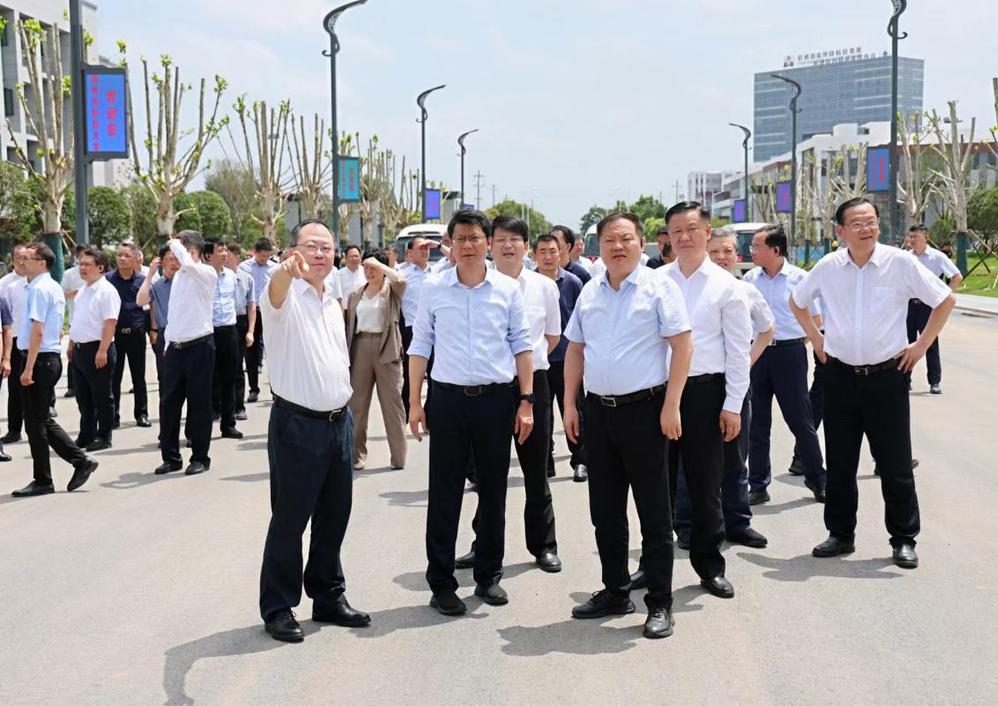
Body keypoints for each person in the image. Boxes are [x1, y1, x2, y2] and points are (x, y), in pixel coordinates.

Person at [791, 198, 955, 569]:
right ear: (840, 230)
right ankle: (840, 534)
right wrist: (816, 338)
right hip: (839, 377)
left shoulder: (900, 263)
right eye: (857, 223)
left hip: (887, 377)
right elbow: (797, 301)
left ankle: (904, 538)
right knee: (841, 461)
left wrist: (921, 345)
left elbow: (945, 299)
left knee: (895, 463)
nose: (866, 228)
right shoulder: (828, 266)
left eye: (871, 221)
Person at [563, 211, 692, 640]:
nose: (617, 247)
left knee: (654, 513)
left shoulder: (659, 287)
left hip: (646, 411)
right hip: (598, 413)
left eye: (626, 239)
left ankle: (660, 602)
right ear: (598, 246)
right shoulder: (590, 291)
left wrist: (672, 405)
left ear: (641, 243)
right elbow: (575, 349)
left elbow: (682, 346)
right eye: (609, 240)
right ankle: (616, 590)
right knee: (605, 511)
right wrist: (570, 404)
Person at [408, 209, 534, 616]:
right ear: (451, 243)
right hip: (447, 401)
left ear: (488, 243)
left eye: (475, 237)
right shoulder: (434, 288)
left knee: (494, 490)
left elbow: (522, 345)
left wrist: (527, 401)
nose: (467, 245)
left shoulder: (506, 290)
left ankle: (488, 575)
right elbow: (420, 345)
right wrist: (414, 402)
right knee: (444, 492)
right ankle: (441, 582)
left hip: (495, 401)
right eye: (460, 238)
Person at [259, 219, 370, 644]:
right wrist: (284, 271)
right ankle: (278, 607)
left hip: (338, 423)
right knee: (290, 520)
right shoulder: (284, 295)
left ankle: (327, 595)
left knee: (334, 516)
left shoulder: (330, 299)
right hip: (297, 425)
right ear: (294, 251)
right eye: (311, 246)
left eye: (326, 247)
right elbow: (275, 289)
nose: (320, 253)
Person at [642, 201, 751, 600]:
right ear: (667, 238)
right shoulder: (654, 281)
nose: (684, 237)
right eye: (676, 231)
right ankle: (651, 565)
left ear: (707, 232)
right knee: (656, 486)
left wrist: (733, 405)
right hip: (656, 393)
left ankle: (709, 565)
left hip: (706, 393)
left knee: (706, 486)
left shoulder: (727, 287)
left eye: (691, 229)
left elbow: (738, 351)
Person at [455, 216, 562, 572]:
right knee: (489, 474)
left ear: (526, 246)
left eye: (515, 239)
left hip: (534, 384)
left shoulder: (544, 287)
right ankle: (483, 545)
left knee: (535, 469)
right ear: (489, 243)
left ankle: (544, 545)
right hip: (493, 387)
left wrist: (526, 373)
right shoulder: (478, 285)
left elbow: (551, 338)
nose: (508, 245)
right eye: (500, 239)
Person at [673, 230, 773, 549]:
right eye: (714, 251)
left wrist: (746, 363)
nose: (721, 257)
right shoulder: (682, 286)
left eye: (727, 251)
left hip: (734, 387)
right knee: (688, 462)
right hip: (692, 386)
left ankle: (737, 523)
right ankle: (687, 525)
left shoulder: (745, 290)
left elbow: (767, 330)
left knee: (734, 458)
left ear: (737, 255)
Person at [742, 224, 827, 505]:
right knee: (757, 423)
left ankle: (818, 480)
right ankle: (757, 485)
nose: (752, 251)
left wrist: (798, 342)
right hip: (757, 354)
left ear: (775, 250)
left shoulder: (799, 279)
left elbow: (816, 319)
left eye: (757, 246)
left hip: (789, 354)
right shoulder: (750, 279)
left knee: (800, 421)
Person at [11, 242, 98, 497]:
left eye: (27, 258)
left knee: (35, 424)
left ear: (42, 263)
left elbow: (38, 331)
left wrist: (28, 368)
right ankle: (79, 461)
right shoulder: (50, 286)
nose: (22, 261)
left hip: (39, 360)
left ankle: (45, 479)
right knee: (40, 420)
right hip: (45, 359)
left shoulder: (40, 289)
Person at [155, 231, 218, 477]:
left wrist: (175, 241)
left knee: (199, 405)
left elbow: (189, 263)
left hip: (199, 347)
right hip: (176, 348)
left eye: (177, 252)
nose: (173, 259)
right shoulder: (179, 277)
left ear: (192, 251)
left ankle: (200, 458)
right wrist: (168, 344)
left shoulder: (206, 272)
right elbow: (175, 313)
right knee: (168, 405)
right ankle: (171, 458)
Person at [344, 248, 407, 470]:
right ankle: (356, 455)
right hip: (360, 347)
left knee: (392, 404)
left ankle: (398, 457)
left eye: (374, 268)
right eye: (366, 268)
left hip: (386, 348)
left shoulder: (391, 290)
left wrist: (382, 265)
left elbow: (401, 280)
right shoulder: (355, 293)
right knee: (357, 405)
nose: (369, 272)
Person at [534, 233, 587, 482]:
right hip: (539, 360)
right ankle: (544, 464)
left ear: (562, 253)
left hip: (568, 359)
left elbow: (583, 320)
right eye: (542, 251)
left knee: (574, 410)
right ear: (534, 255)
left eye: (552, 251)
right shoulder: (528, 283)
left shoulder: (573, 282)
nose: (548, 256)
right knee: (541, 416)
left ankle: (581, 460)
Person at [68, 247, 120, 452]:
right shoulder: (83, 290)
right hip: (79, 350)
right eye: (81, 264)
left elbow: (110, 322)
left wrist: (102, 350)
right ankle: (86, 434)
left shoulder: (106, 291)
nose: (83, 268)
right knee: (83, 398)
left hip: (97, 349)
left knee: (102, 397)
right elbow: (77, 319)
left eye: (87, 264)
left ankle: (104, 436)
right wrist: (71, 343)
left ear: (100, 267)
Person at [905, 224, 963, 394]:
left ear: (926, 238)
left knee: (930, 343)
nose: (912, 240)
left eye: (916, 237)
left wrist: (943, 296)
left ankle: (934, 382)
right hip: (908, 305)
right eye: (911, 236)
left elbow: (957, 276)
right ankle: (905, 380)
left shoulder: (937, 257)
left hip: (928, 306)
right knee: (905, 343)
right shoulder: (906, 257)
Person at [106, 242, 150, 429]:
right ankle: (113, 416)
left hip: (136, 334)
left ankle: (142, 414)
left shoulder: (142, 280)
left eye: (127, 256)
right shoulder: (107, 279)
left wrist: (152, 330)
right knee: (114, 377)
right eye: (119, 255)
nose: (122, 259)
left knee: (138, 376)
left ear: (136, 259)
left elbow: (150, 306)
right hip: (114, 334)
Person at [204, 240, 243, 439]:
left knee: (229, 378)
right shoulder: (201, 276)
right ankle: (204, 425)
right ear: (208, 256)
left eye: (226, 250)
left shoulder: (231, 276)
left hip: (229, 331)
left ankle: (228, 424)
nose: (225, 253)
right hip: (207, 332)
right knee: (206, 380)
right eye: (220, 251)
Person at [397, 237, 436, 421]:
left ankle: (429, 414)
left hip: (436, 329)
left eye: (427, 248)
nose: (425, 251)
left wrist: (438, 245)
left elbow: (453, 258)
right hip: (412, 329)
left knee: (435, 374)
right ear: (410, 253)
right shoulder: (402, 273)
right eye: (420, 247)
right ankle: (406, 414)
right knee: (410, 375)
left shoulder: (437, 271)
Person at [240, 238, 275, 403]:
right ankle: (253, 389)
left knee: (273, 351)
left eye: (268, 256)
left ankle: (276, 389)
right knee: (251, 353)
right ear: (255, 252)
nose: (265, 259)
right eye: (262, 256)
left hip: (270, 313)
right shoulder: (244, 267)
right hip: (251, 313)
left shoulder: (275, 268)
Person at [137, 246, 180, 383]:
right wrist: (150, 274)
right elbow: (141, 301)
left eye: (177, 258)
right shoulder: (157, 285)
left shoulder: (190, 283)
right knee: (165, 379)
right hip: (165, 334)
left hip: (187, 334)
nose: (174, 263)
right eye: (170, 259)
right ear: (162, 262)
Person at [1, 244, 30, 444]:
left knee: (37, 385)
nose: (22, 260)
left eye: (26, 256)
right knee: (15, 388)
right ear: (12, 260)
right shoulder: (5, 284)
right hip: (15, 339)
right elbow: (5, 320)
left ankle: (40, 427)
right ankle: (14, 429)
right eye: (19, 256)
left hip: (36, 340)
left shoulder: (38, 280)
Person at [227, 242, 256, 420]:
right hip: (222, 324)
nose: (224, 257)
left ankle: (239, 407)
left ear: (237, 257)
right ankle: (221, 407)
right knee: (220, 368)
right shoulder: (216, 277)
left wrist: (250, 331)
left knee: (237, 367)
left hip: (240, 322)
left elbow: (251, 306)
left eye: (228, 254)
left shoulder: (247, 279)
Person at [61, 244, 87, 398]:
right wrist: (75, 293)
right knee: (74, 354)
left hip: (91, 322)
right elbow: (62, 294)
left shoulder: (97, 272)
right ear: (77, 257)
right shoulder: (69, 274)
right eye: (82, 256)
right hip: (74, 319)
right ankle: (72, 386)